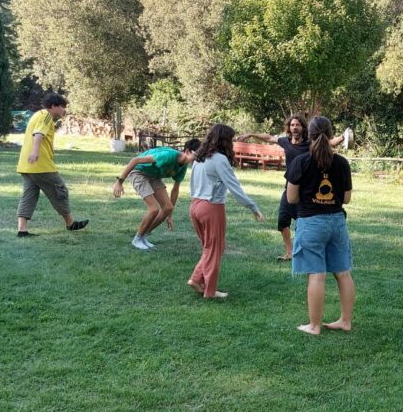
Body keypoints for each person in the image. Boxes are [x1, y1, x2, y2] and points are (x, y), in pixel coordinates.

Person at [236, 114, 345, 262]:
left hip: (305, 190)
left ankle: (306, 251)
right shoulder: (285, 142)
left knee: (303, 221)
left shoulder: (310, 142)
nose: (294, 127)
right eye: (292, 125)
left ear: (303, 127)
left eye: (297, 125)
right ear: (289, 127)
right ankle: (290, 252)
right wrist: (251, 134)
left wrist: (344, 137)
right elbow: (269, 138)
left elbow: (330, 142)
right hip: (289, 188)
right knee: (282, 221)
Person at [287, 116, 355, 335]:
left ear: (309, 135)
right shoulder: (342, 163)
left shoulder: (301, 162)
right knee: (343, 273)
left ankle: (314, 326)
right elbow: (346, 199)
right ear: (331, 134)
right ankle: (345, 321)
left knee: (317, 274)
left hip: (311, 223)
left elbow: (291, 198)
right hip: (337, 222)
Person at [187, 124, 265, 299]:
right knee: (214, 248)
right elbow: (234, 187)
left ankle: (197, 279)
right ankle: (208, 289)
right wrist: (253, 207)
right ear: (224, 140)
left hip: (195, 206)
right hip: (211, 207)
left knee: (210, 247)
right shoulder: (219, 159)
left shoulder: (199, 157)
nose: (232, 143)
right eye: (230, 139)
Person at [15, 93, 88, 237]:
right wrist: (35, 152)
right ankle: (70, 223)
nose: (64, 110)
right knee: (60, 190)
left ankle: (22, 230)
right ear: (54, 106)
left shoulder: (37, 115)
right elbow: (38, 134)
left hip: (26, 165)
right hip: (40, 164)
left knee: (29, 195)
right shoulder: (46, 116)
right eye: (62, 107)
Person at [112, 139, 201, 250]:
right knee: (154, 209)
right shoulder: (168, 156)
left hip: (153, 176)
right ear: (187, 151)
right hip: (139, 172)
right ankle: (137, 239)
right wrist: (119, 182)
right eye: (197, 155)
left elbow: (175, 190)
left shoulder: (183, 166)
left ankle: (143, 236)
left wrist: (169, 215)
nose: (199, 159)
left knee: (168, 207)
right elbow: (135, 160)